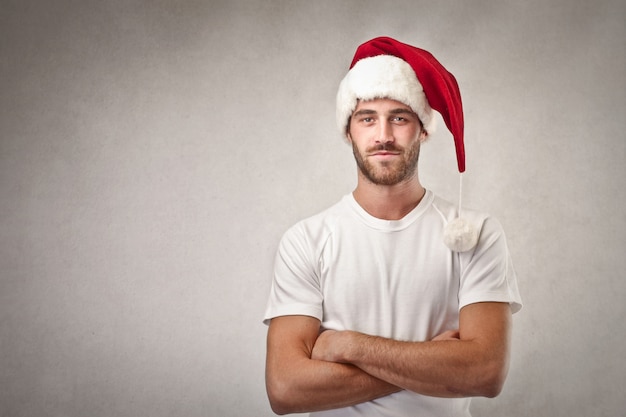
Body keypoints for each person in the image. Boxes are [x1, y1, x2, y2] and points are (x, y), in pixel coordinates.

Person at [263, 36, 522, 417]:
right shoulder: (305, 241)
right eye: (367, 118)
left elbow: (485, 373)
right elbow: (285, 389)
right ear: (349, 131)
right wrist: (438, 362)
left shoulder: (476, 233)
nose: (383, 134)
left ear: (423, 129)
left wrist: (350, 346)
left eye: (399, 117)